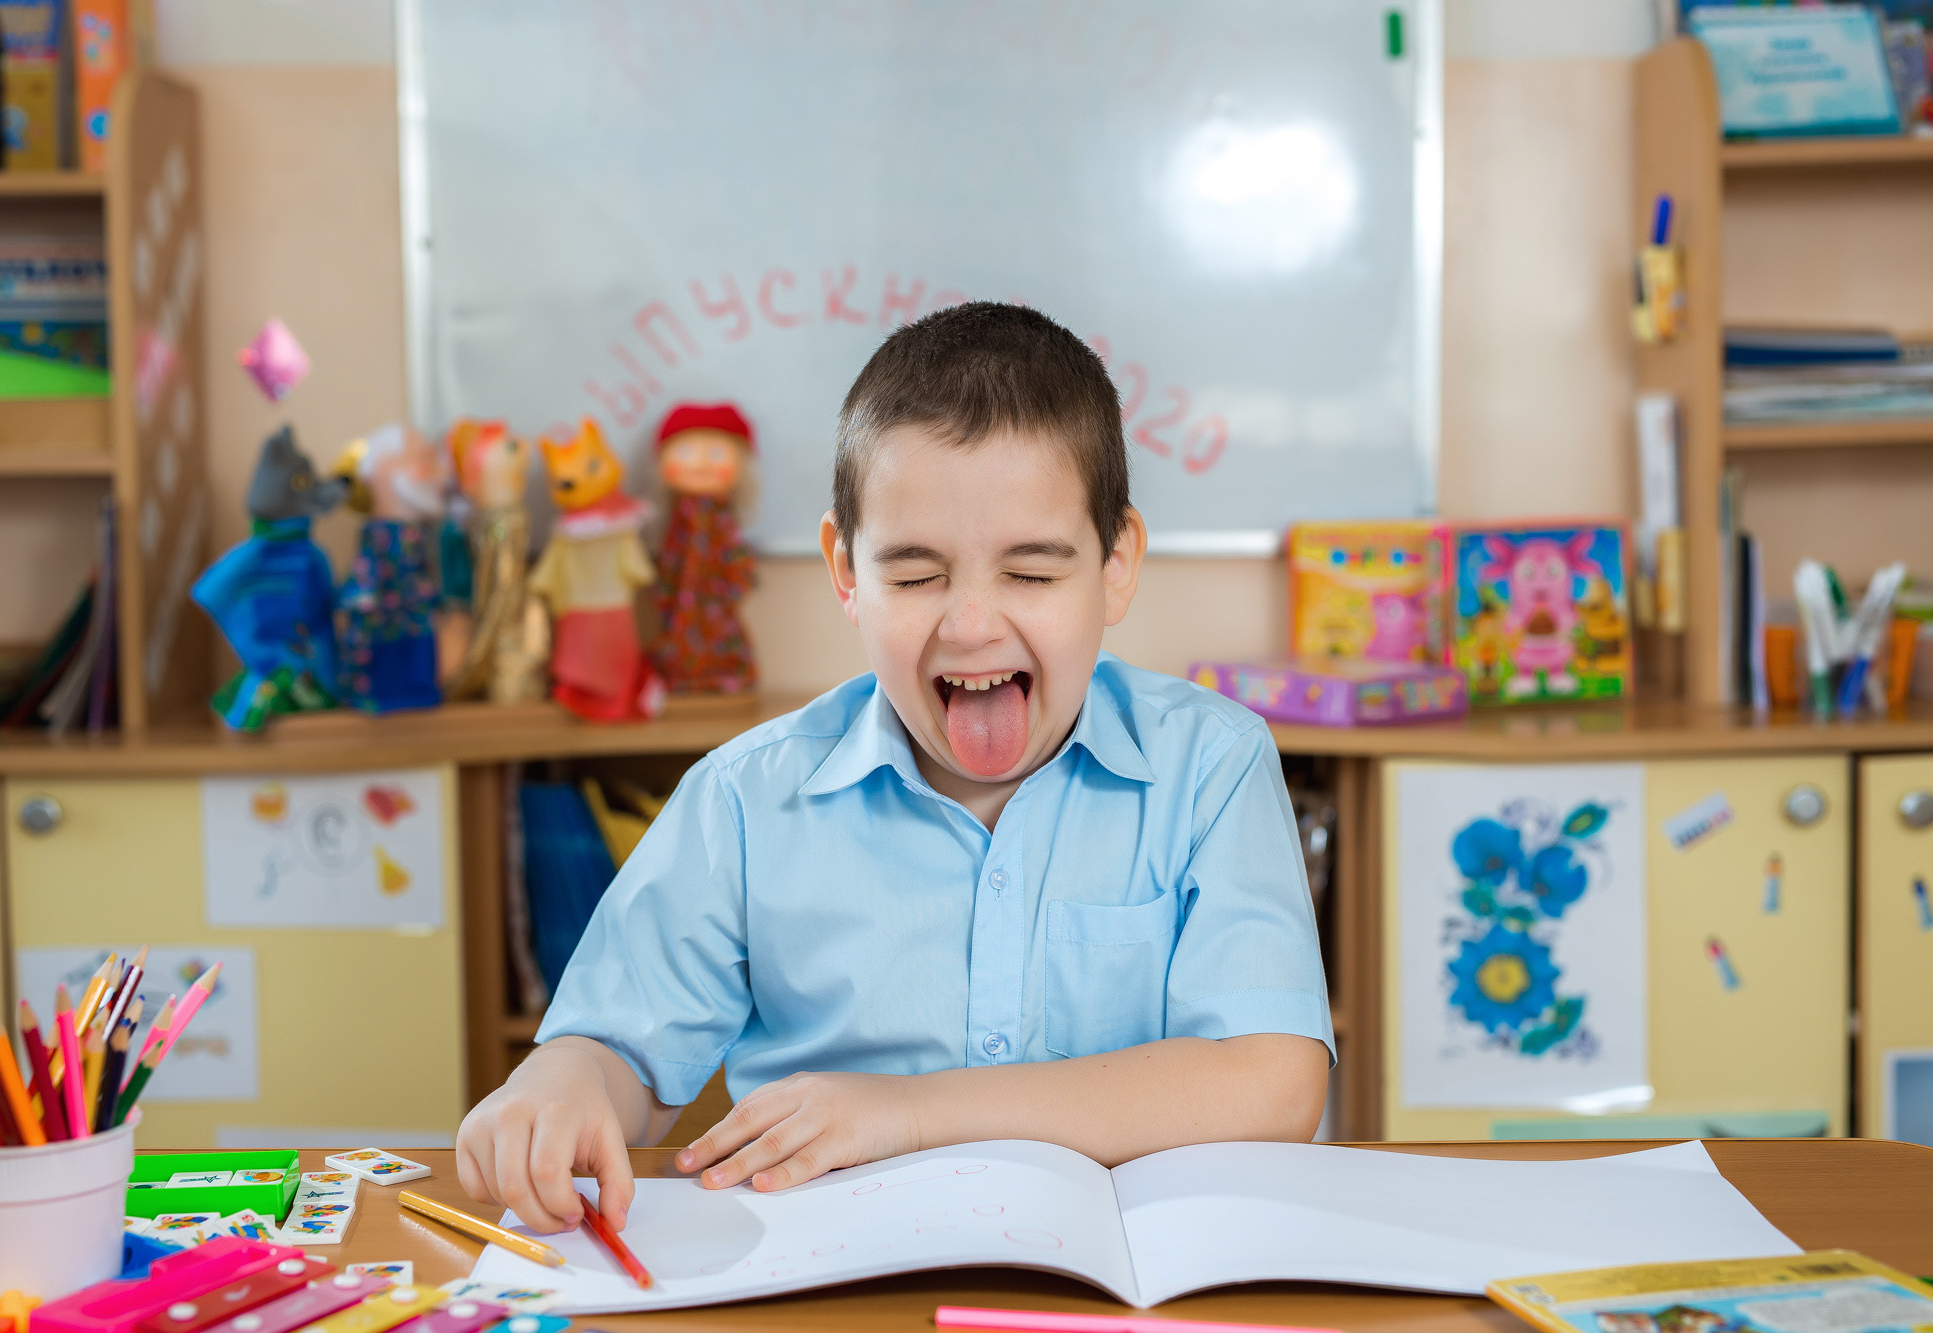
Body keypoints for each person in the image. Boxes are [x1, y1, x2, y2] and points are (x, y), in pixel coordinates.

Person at [457, 302, 1333, 1236]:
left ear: (1116, 564)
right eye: (915, 576)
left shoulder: (1212, 764)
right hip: (829, 1275)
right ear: (845, 568)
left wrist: (909, 1113)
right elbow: (614, 1047)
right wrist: (562, 1083)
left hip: (1128, 1285)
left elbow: (1274, 1080)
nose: (970, 624)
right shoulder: (746, 797)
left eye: (1031, 574)